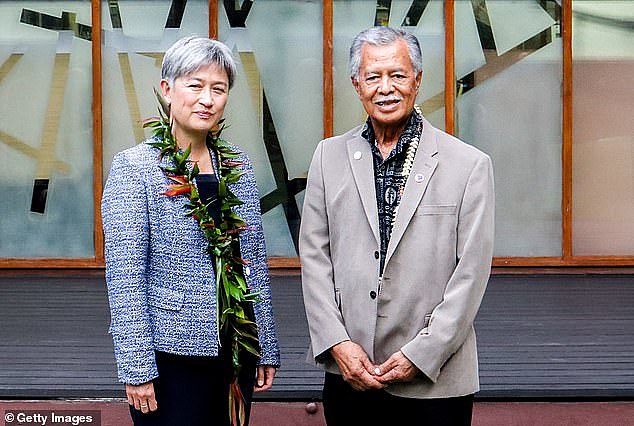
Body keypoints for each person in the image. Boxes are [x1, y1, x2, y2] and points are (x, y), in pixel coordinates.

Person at [300, 26, 494, 425]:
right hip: (349, 374)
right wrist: (337, 343)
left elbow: (471, 275)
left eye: (398, 75)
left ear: (417, 80)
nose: (385, 88)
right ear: (357, 84)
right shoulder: (327, 157)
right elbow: (315, 258)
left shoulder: (469, 165)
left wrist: (420, 354)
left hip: (434, 381)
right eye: (373, 76)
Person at [102, 36, 280, 425]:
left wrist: (265, 343)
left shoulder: (238, 165)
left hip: (236, 350)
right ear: (167, 90)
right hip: (171, 356)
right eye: (195, 85)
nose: (207, 98)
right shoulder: (135, 168)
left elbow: (251, 261)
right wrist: (136, 368)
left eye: (218, 88)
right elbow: (125, 276)